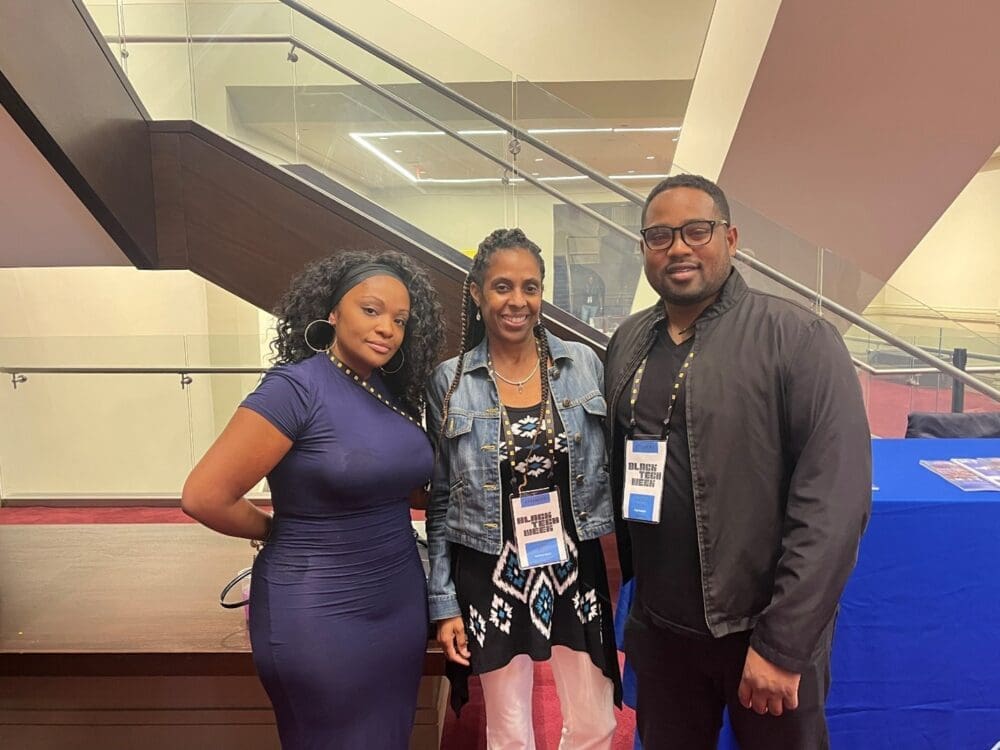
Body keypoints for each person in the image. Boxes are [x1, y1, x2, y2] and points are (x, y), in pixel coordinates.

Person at [604, 174, 871, 750]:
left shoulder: (800, 340)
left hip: (758, 629)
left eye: (696, 231)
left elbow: (834, 506)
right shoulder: (628, 342)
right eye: (658, 235)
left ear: (731, 238)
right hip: (662, 631)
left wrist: (783, 644)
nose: (677, 247)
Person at [182, 250, 444, 749]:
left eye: (399, 319)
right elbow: (205, 495)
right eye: (371, 310)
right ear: (331, 313)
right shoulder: (295, 389)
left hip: (398, 602)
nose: (387, 327)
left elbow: (400, 483)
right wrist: (273, 529)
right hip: (317, 609)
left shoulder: (389, 391)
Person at [426, 228, 621, 749]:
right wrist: (444, 602)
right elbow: (441, 496)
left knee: (595, 720)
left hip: (572, 565)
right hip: (490, 567)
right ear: (476, 292)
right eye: (502, 287)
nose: (518, 301)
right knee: (509, 731)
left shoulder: (582, 365)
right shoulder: (449, 381)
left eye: (530, 287)